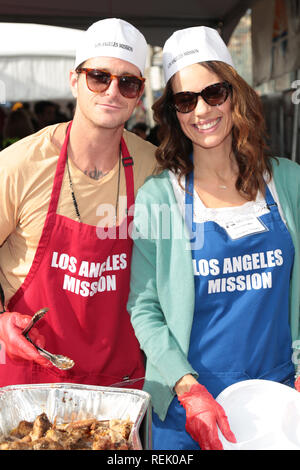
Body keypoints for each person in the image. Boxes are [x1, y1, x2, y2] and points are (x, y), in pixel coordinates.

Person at [127, 26, 300, 450]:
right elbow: (144, 307)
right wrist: (187, 388)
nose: (201, 110)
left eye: (213, 93)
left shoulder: (289, 182)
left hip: (277, 400)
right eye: (185, 100)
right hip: (191, 407)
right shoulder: (159, 198)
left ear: (234, 93)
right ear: (173, 112)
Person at [0, 18, 157, 389]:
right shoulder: (20, 165)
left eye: (127, 82)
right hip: (31, 382)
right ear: (74, 79)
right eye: (99, 77)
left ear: (139, 93)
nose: (112, 91)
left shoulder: (155, 168)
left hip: (120, 387)